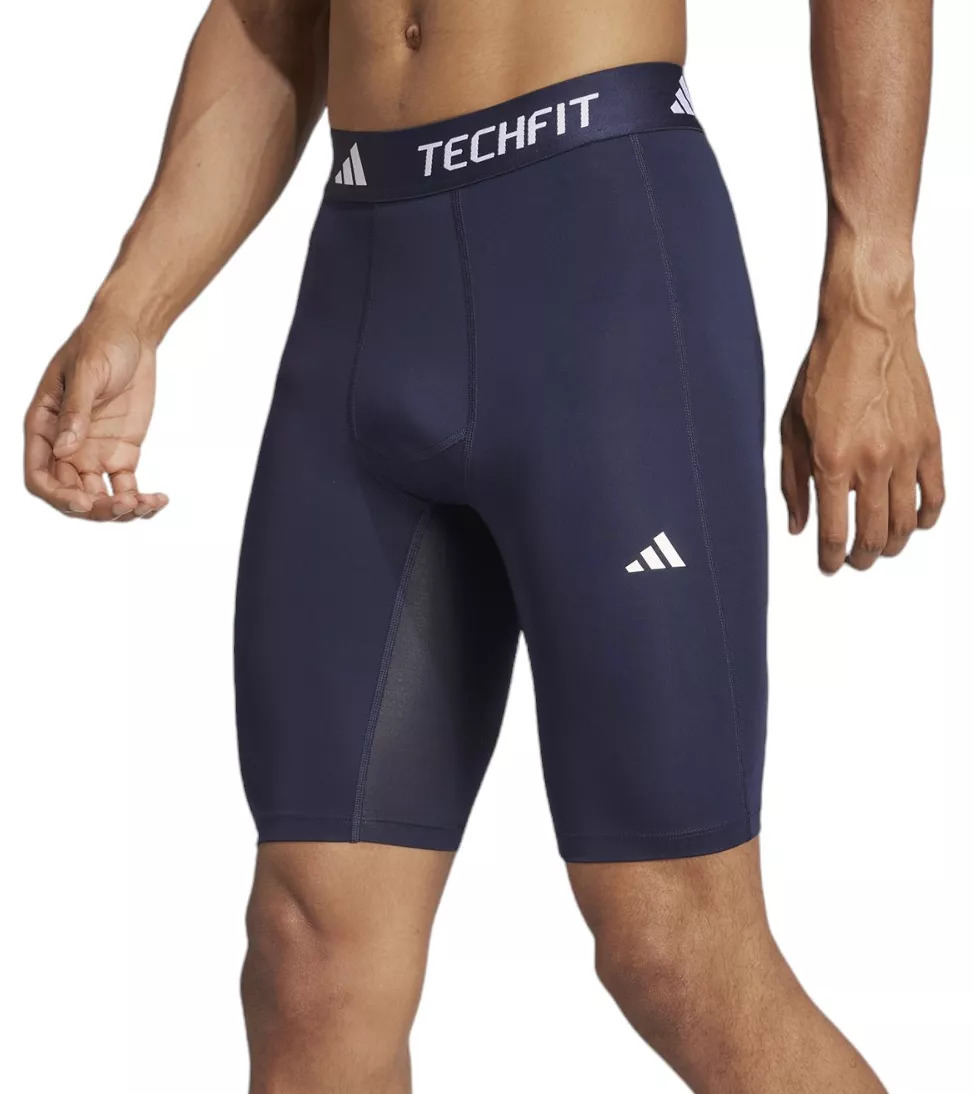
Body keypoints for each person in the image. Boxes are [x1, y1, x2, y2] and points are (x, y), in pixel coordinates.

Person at [23, 1, 945, 1091]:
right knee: (310, 955)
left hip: (597, 266)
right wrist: (131, 307)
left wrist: (873, 299)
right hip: (365, 285)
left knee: (674, 944)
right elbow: (267, 18)